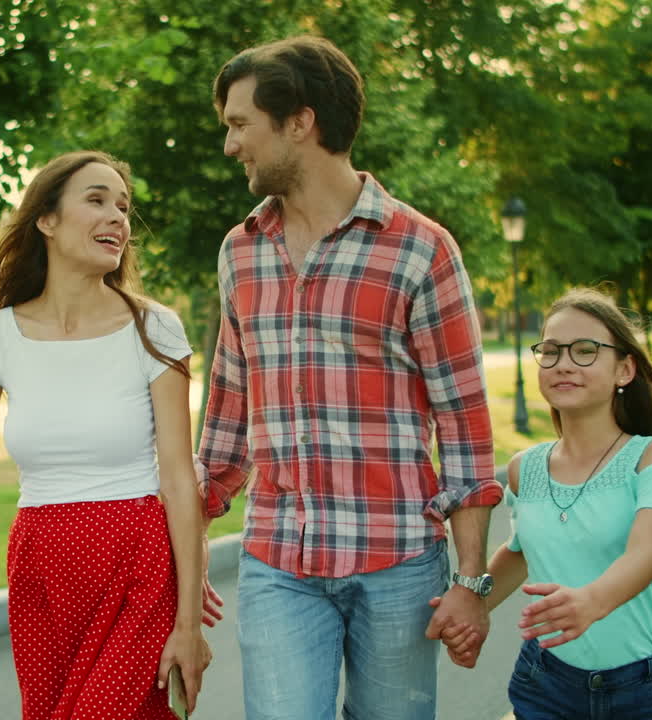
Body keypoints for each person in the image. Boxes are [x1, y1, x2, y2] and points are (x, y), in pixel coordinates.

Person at [197, 36, 502, 720]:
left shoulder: (421, 249)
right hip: (280, 563)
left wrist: (471, 581)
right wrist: (183, 559)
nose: (230, 146)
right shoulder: (240, 252)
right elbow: (224, 420)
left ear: (299, 122)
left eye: (241, 124)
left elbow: (463, 423)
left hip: (397, 563)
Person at [0, 150, 212, 719]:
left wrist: (187, 624)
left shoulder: (154, 328)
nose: (117, 217)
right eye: (96, 200)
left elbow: (181, 482)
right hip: (40, 563)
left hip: (136, 560)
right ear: (47, 220)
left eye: (123, 207)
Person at [438, 287, 652, 719]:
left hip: (642, 691)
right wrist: (471, 602)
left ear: (624, 369)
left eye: (585, 351)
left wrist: (592, 601)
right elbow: (521, 553)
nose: (563, 363)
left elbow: (644, 554)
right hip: (545, 684)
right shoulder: (524, 468)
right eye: (550, 351)